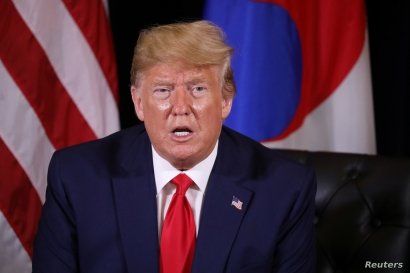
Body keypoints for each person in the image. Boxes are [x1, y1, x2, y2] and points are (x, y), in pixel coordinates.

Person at [33, 20, 316, 273]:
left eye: (198, 89)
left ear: (226, 100)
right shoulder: (76, 177)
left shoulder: (284, 188)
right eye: (163, 90)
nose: (181, 108)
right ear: (139, 103)